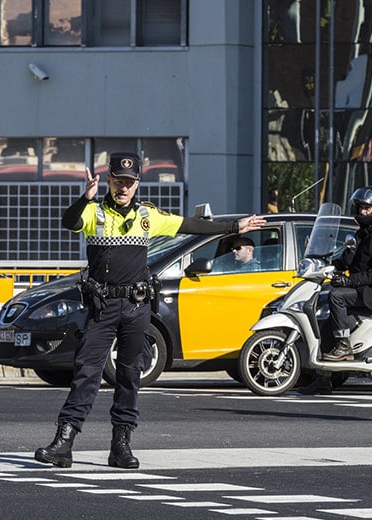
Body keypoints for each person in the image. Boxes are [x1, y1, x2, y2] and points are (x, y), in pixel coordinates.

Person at [35, 152, 265, 469]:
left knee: (130, 376)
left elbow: (190, 226)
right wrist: (84, 197)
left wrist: (234, 226)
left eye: (129, 182)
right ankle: (64, 441)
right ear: (110, 181)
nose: (123, 188)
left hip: (136, 306)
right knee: (86, 373)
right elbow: (69, 222)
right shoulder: (94, 213)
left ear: (137, 183)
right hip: (102, 308)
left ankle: (121, 445)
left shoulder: (148, 216)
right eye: (118, 181)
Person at [298, 186, 372, 395]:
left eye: (368, 208)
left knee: (336, 296)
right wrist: (324, 265)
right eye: (360, 207)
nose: (362, 212)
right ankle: (323, 381)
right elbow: (346, 263)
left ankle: (344, 346)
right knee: (325, 327)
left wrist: (347, 282)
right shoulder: (361, 234)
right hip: (361, 289)